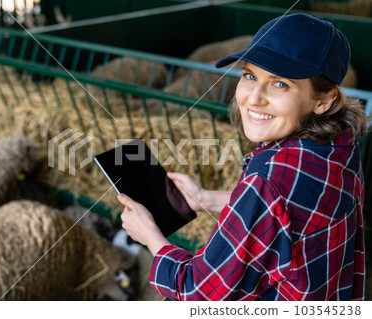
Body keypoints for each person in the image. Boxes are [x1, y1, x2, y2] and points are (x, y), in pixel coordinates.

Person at [117, 13, 367, 301]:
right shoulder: (341, 144)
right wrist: (208, 199)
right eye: (250, 75)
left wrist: (150, 236)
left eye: (280, 83)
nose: (254, 97)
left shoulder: (268, 179)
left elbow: (199, 291)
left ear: (324, 100)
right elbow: (292, 211)